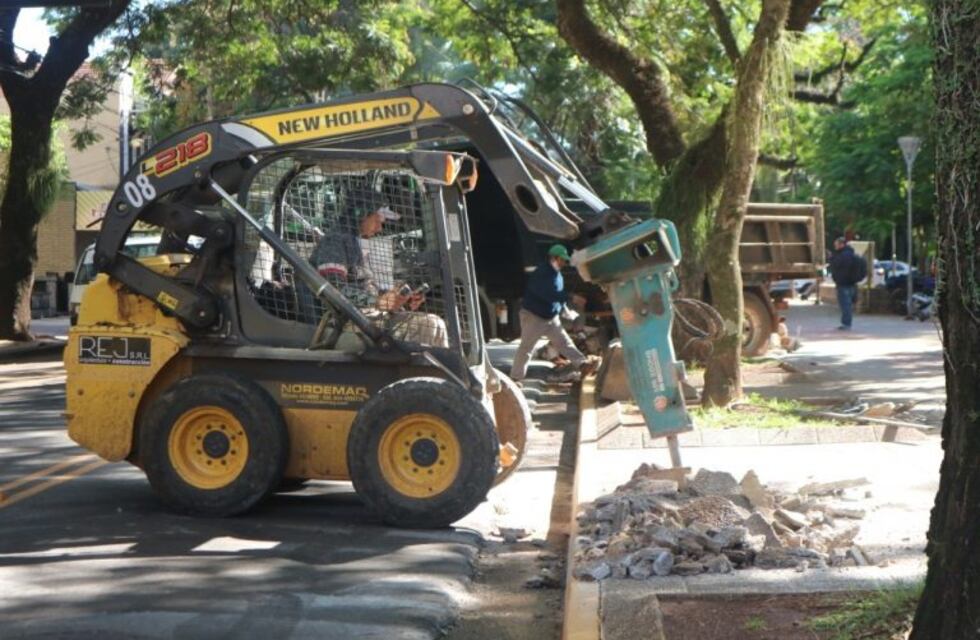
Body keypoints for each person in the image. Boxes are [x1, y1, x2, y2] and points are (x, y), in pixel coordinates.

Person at [306, 201, 448, 348]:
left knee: (433, 324)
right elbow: (334, 291)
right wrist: (376, 301)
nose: (380, 228)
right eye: (377, 221)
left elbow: (367, 290)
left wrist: (399, 299)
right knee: (431, 325)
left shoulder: (354, 244)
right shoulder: (334, 242)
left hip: (365, 318)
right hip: (343, 323)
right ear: (361, 215)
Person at [510, 244, 597, 382]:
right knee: (526, 347)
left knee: (565, 343)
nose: (564, 262)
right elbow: (548, 294)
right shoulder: (542, 272)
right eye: (562, 259)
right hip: (534, 316)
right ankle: (515, 378)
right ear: (554, 258)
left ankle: (582, 365)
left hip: (550, 316)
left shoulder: (557, 274)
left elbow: (557, 294)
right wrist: (571, 297)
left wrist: (564, 309)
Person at [828, 236, 867, 330]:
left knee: (845, 305)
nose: (835, 247)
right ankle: (847, 322)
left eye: (836, 245)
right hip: (853, 283)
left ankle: (846, 324)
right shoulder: (855, 255)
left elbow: (835, 266)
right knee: (849, 304)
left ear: (842, 245)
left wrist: (831, 258)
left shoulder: (841, 256)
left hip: (843, 284)